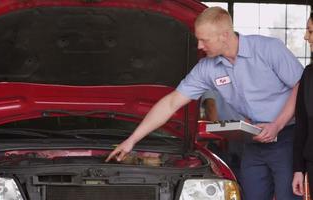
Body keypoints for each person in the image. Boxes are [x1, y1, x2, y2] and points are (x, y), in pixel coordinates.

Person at [106, 6, 303, 200]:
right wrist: (132, 140)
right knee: (250, 195)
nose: (199, 46)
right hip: (252, 141)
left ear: (224, 35)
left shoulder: (268, 48)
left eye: (204, 40)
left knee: (288, 195)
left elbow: (301, 86)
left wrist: (277, 124)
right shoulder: (207, 68)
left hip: (288, 138)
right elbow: (171, 103)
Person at [200, 90, 244, 181]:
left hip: (224, 137)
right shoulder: (241, 79)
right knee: (243, 173)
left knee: (224, 175)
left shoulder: (210, 80)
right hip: (244, 133)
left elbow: (210, 106)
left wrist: (216, 132)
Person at [292, 11, 313, 197]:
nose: (306, 37)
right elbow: (302, 126)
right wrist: (298, 169)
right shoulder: (308, 74)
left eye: (310, 31)